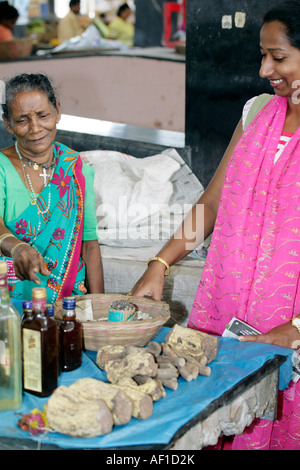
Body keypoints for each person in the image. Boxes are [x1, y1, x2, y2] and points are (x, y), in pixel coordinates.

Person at [132, 0, 300, 450]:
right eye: (262, 55)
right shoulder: (257, 113)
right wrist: (159, 264)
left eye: (278, 57)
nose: (265, 68)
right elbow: (210, 203)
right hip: (228, 311)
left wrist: (298, 328)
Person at [0, 73, 103, 303]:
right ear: (8, 124)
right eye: (22, 120)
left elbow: (89, 245)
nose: (36, 128)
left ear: (57, 111)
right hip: (9, 302)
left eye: (43, 115)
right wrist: (16, 247)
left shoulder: (76, 170)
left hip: (67, 305)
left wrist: (99, 310)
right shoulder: (1, 168)